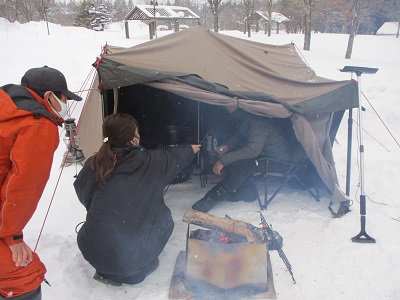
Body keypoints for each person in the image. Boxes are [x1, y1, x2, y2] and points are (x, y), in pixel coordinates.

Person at [74, 113, 201, 286]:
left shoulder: (93, 162)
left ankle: (110, 269)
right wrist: (191, 148)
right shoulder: (149, 162)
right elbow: (174, 156)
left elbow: (82, 193)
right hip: (134, 263)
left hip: (94, 253)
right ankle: (140, 267)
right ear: (132, 139)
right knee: (166, 221)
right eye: (137, 132)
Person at [0, 66, 82, 299]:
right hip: (4, 218)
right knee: (22, 278)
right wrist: (11, 234)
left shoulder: (7, 108)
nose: (66, 105)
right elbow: (23, 185)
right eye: (64, 99)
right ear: (48, 96)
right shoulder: (37, 124)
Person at [192, 104, 305, 213]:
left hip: (279, 162)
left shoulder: (259, 122)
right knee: (236, 161)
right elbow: (240, 135)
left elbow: (252, 151)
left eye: (229, 103)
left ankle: (212, 198)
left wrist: (223, 161)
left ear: (241, 105)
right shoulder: (248, 118)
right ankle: (245, 192)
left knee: (241, 167)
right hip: (264, 155)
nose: (224, 105)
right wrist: (227, 146)